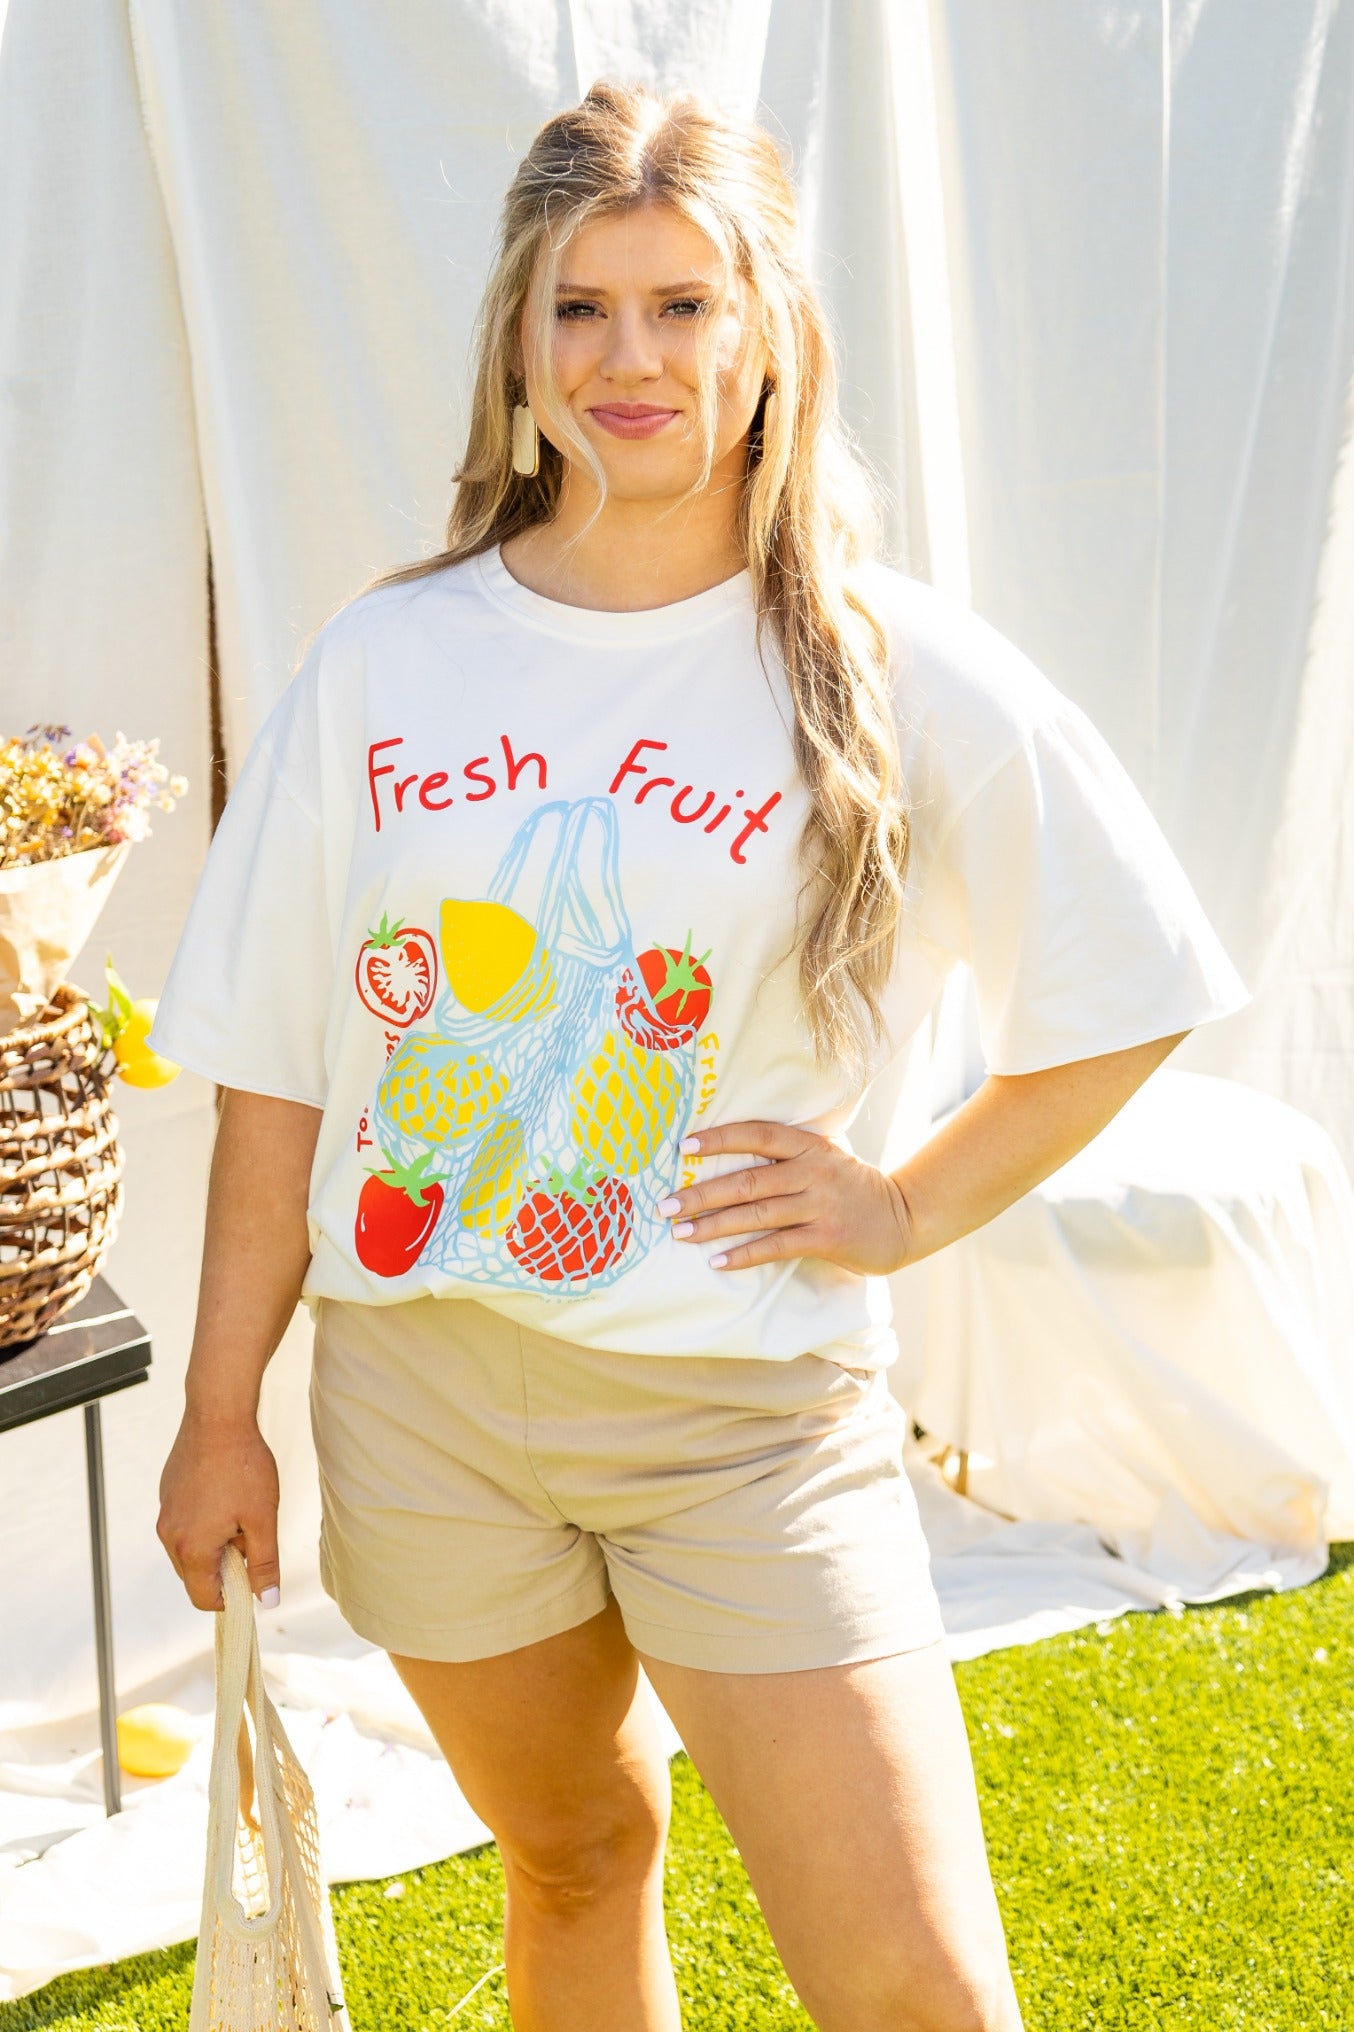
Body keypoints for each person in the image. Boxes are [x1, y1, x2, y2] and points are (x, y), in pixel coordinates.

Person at [151, 80, 1250, 2032]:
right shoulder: (391, 658)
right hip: (428, 1405)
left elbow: (1129, 974)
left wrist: (901, 1203)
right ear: (517, 337)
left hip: (741, 1421)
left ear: (766, 337)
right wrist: (219, 1402)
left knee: (917, 1989)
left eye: (680, 305)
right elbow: (271, 1064)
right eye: (580, 307)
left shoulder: (876, 660)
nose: (629, 358)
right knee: (575, 1848)